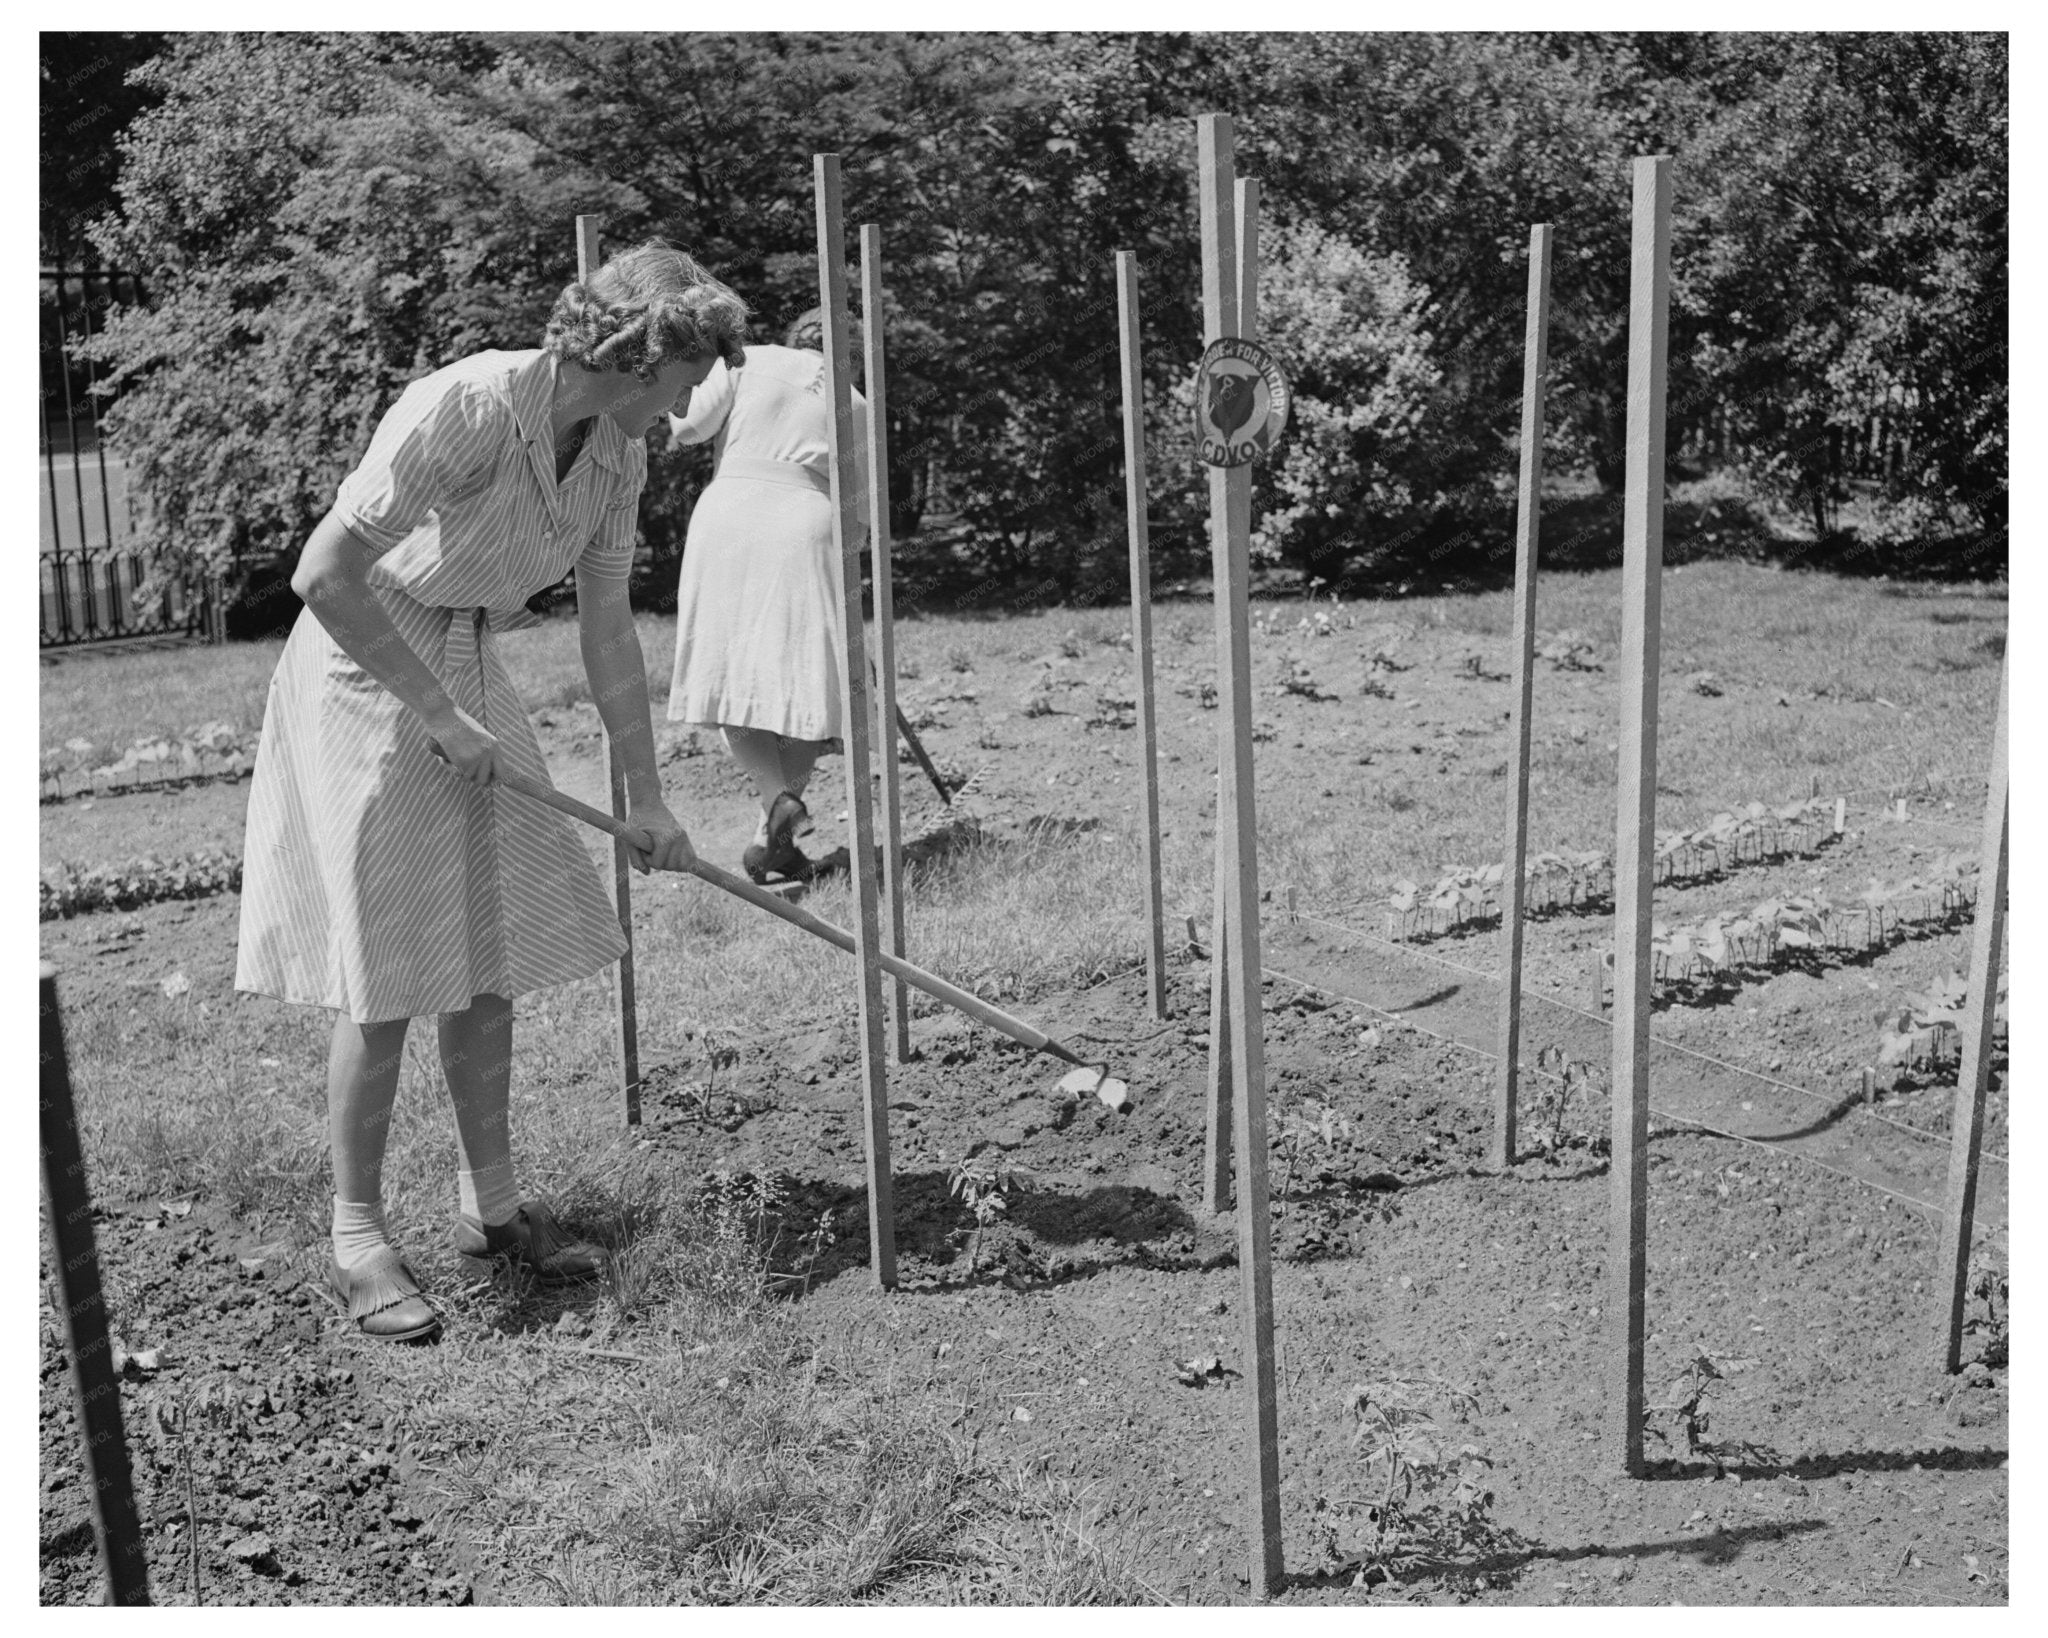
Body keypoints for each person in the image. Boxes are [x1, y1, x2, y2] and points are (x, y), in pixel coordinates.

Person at [235, 243, 749, 1343]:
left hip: (469, 663)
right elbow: (323, 573)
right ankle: (358, 1241)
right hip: (367, 664)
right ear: (640, 354)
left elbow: (607, 631)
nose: (687, 404)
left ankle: (493, 1211)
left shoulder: (616, 455)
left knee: (490, 947)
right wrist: (433, 710)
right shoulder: (467, 406)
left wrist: (647, 796)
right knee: (386, 970)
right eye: (687, 377)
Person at [665, 307, 869, 884]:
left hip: (730, 515)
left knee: (734, 672)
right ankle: (770, 836)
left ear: (793, 337)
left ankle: (777, 802)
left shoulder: (747, 361)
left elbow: (687, 429)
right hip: (808, 521)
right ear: (851, 355)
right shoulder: (856, 402)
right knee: (807, 682)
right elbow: (859, 520)